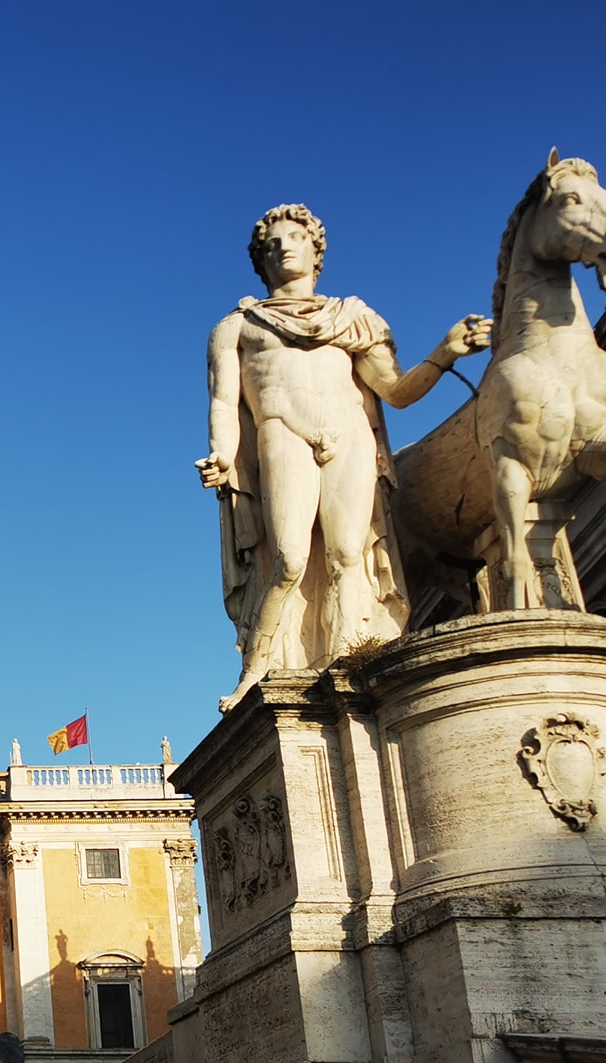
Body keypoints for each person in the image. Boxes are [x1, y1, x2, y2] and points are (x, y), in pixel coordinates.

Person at [199, 204, 489, 710]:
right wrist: (223, 456)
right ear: (261, 262)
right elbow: (225, 402)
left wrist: (445, 352)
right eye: (272, 244)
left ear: (316, 251)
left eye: (295, 238)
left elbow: (395, 391)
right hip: (282, 435)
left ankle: (353, 658)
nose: (284, 247)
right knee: (289, 560)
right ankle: (258, 669)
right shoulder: (237, 327)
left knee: (348, 555)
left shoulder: (353, 318)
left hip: (350, 435)